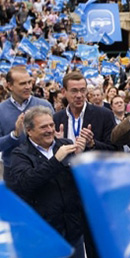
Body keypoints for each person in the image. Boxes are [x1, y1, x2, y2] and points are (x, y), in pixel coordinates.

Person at [5, 106, 87, 258]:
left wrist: (80, 159)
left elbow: (80, 181)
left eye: (51, 125)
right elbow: (26, 183)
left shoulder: (65, 144)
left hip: (73, 230)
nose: (50, 130)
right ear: (29, 131)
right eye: (43, 127)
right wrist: (56, 160)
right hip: (45, 233)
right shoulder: (20, 154)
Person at [0, 67, 53, 173]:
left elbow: (54, 136)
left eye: (29, 82)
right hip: (13, 171)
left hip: (43, 168)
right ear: (10, 86)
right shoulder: (1, 109)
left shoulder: (44, 105)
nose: (28, 87)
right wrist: (14, 135)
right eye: (22, 83)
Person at [53, 72, 117, 151]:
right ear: (63, 92)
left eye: (82, 90)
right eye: (74, 91)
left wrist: (92, 144)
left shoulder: (104, 115)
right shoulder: (56, 118)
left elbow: (115, 150)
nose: (79, 95)